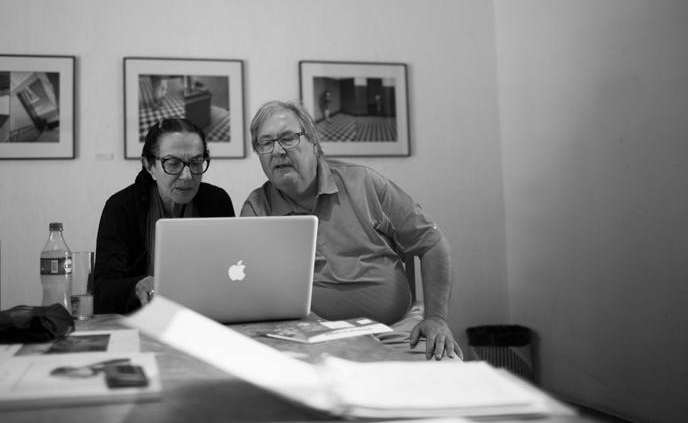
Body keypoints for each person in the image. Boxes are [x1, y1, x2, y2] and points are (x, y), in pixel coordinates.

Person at [241, 100, 462, 360]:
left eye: (288, 138)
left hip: (398, 329)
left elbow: (433, 244)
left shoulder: (363, 183)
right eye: (265, 143)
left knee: (445, 380)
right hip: (313, 337)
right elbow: (259, 290)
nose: (277, 151)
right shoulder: (256, 210)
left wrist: (436, 317)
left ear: (313, 142)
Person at [94, 117, 235, 314]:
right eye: (173, 163)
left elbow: (232, 274)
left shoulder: (217, 201)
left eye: (196, 162)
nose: (187, 176)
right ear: (150, 166)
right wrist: (138, 286)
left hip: (206, 316)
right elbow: (103, 292)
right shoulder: (121, 208)